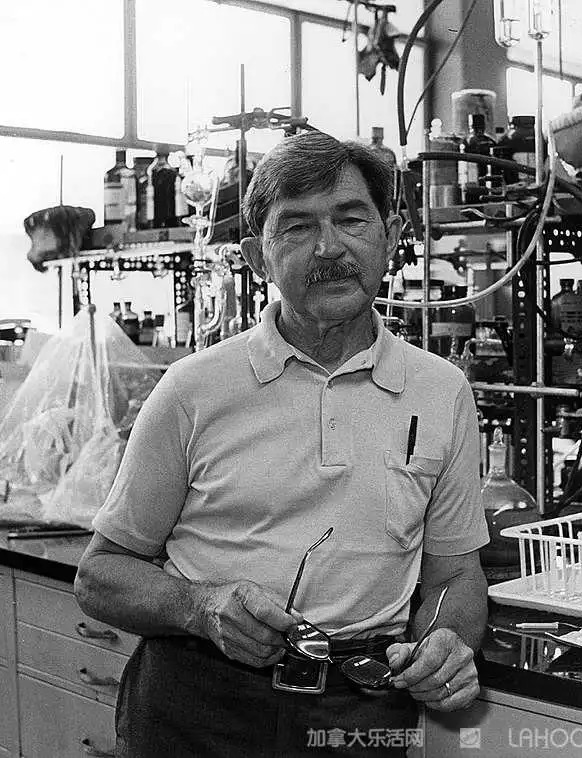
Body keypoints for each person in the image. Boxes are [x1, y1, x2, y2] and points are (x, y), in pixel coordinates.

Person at [75, 131, 490, 757]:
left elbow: (455, 573)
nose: (330, 247)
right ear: (255, 256)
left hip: (360, 706)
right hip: (199, 705)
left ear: (391, 235)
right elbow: (100, 575)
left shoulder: (442, 392)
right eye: (297, 227)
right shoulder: (192, 389)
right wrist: (201, 606)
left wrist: (448, 641)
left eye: (351, 219)